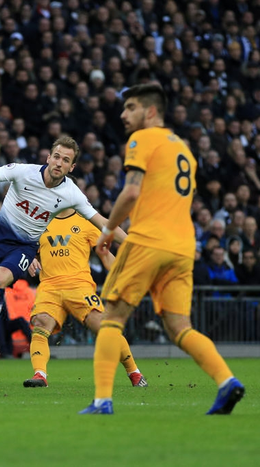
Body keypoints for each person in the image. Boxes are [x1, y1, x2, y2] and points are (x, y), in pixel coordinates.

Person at [81, 84, 244, 415]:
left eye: (130, 107)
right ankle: (226, 381)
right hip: (183, 246)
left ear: (150, 111)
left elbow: (130, 192)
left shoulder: (143, 139)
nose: (123, 114)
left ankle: (102, 401)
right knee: (180, 327)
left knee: (111, 317)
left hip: (148, 240)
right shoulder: (184, 149)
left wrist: (108, 230)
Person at [0, 136, 127, 390]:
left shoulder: (71, 193)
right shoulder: (22, 172)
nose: (59, 163)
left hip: (24, 247)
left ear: (71, 168)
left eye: (66, 160)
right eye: (56, 156)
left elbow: (104, 223)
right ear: (48, 157)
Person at [24, 208, 147, 388]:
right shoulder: (40, 220)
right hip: (49, 286)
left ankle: (134, 372)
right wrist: (28, 259)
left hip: (79, 286)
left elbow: (104, 254)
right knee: (40, 324)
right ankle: (40, 375)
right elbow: (25, 249)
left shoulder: (87, 222)